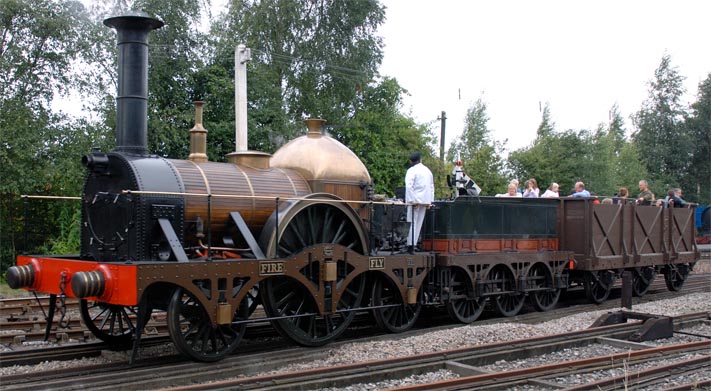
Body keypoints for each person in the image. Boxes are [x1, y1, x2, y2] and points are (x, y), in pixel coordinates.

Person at [404, 152, 434, 254]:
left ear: (411, 161)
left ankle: (410, 245)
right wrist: (430, 201)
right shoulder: (427, 171)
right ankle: (414, 244)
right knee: (418, 223)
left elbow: (409, 186)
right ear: (420, 159)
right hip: (425, 200)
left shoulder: (411, 171)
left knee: (411, 222)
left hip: (415, 200)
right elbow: (431, 186)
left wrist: (411, 200)